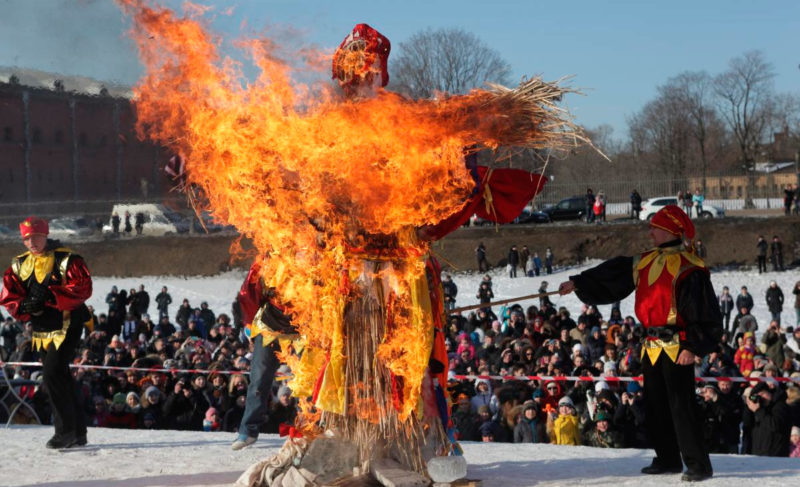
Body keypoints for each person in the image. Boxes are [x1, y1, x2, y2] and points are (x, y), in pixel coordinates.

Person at [558, 205, 720, 481]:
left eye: (655, 227)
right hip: (651, 345)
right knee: (656, 405)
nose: (651, 231)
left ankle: (697, 464)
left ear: (669, 229)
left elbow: (702, 311)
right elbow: (613, 273)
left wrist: (692, 347)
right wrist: (578, 282)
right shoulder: (643, 261)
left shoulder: (689, 267)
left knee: (682, 406)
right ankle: (667, 457)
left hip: (677, 345)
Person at [0, 217, 93, 449]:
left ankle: (65, 432)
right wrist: (24, 307)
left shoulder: (67, 259)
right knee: (60, 375)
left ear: (45, 235)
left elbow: (83, 288)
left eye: (36, 237)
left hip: (68, 323)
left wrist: (51, 296)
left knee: (51, 373)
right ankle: (78, 431)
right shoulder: (20, 265)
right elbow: (10, 295)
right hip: (42, 330)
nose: (32, 242)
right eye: (27, 238)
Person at [231, 261, 295, 450]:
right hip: (269, 327)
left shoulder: (307, 258)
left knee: (308, 380)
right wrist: (249, 325)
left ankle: (309, 429)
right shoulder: (267, 262)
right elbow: (248, 294)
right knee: (259, 379)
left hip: (300, 327)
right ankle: (248, 431)